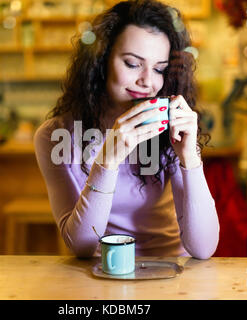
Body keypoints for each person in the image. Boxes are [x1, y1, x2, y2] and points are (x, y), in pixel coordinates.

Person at [34, 0, 219, 258]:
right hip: (103, 275)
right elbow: (82, 247)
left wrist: (190, 157)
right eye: (132, 64)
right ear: (101, 61)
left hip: (172, 272)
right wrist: (108, 161)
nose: (147, 81)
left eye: (159, 69)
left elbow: (204, 248)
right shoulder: (56, 136)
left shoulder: (166, 127)